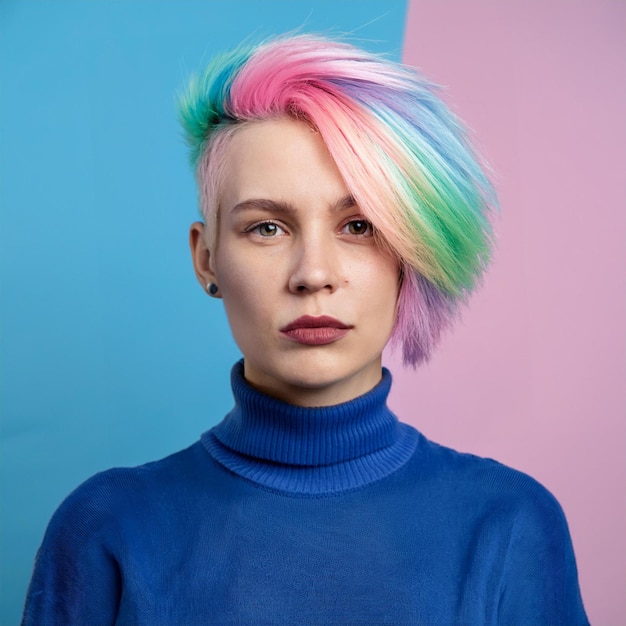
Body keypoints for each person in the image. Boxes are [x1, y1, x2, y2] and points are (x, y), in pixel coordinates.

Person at [22, 34, 589, 625]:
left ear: (411, 253)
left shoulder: (510, 524)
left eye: (360, 226)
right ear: (207, 258)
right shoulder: (104, 530)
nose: (314, 274)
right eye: (267, 228)